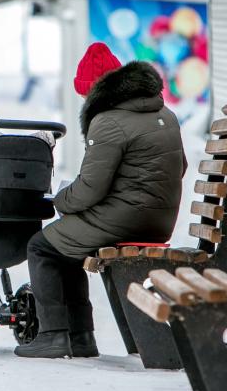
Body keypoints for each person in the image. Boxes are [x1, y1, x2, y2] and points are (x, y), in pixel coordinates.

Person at [15, 42, 187, 359]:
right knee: (67, 246)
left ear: (98, 90)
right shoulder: (166, 113)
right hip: (159, 218)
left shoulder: (108, 121)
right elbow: (181, 168)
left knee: (42, 245)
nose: (83, 100)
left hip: (126, 217)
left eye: (85, 94)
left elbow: (91, 189)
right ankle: (79, 338)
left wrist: (60, 199)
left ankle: (57, 335)